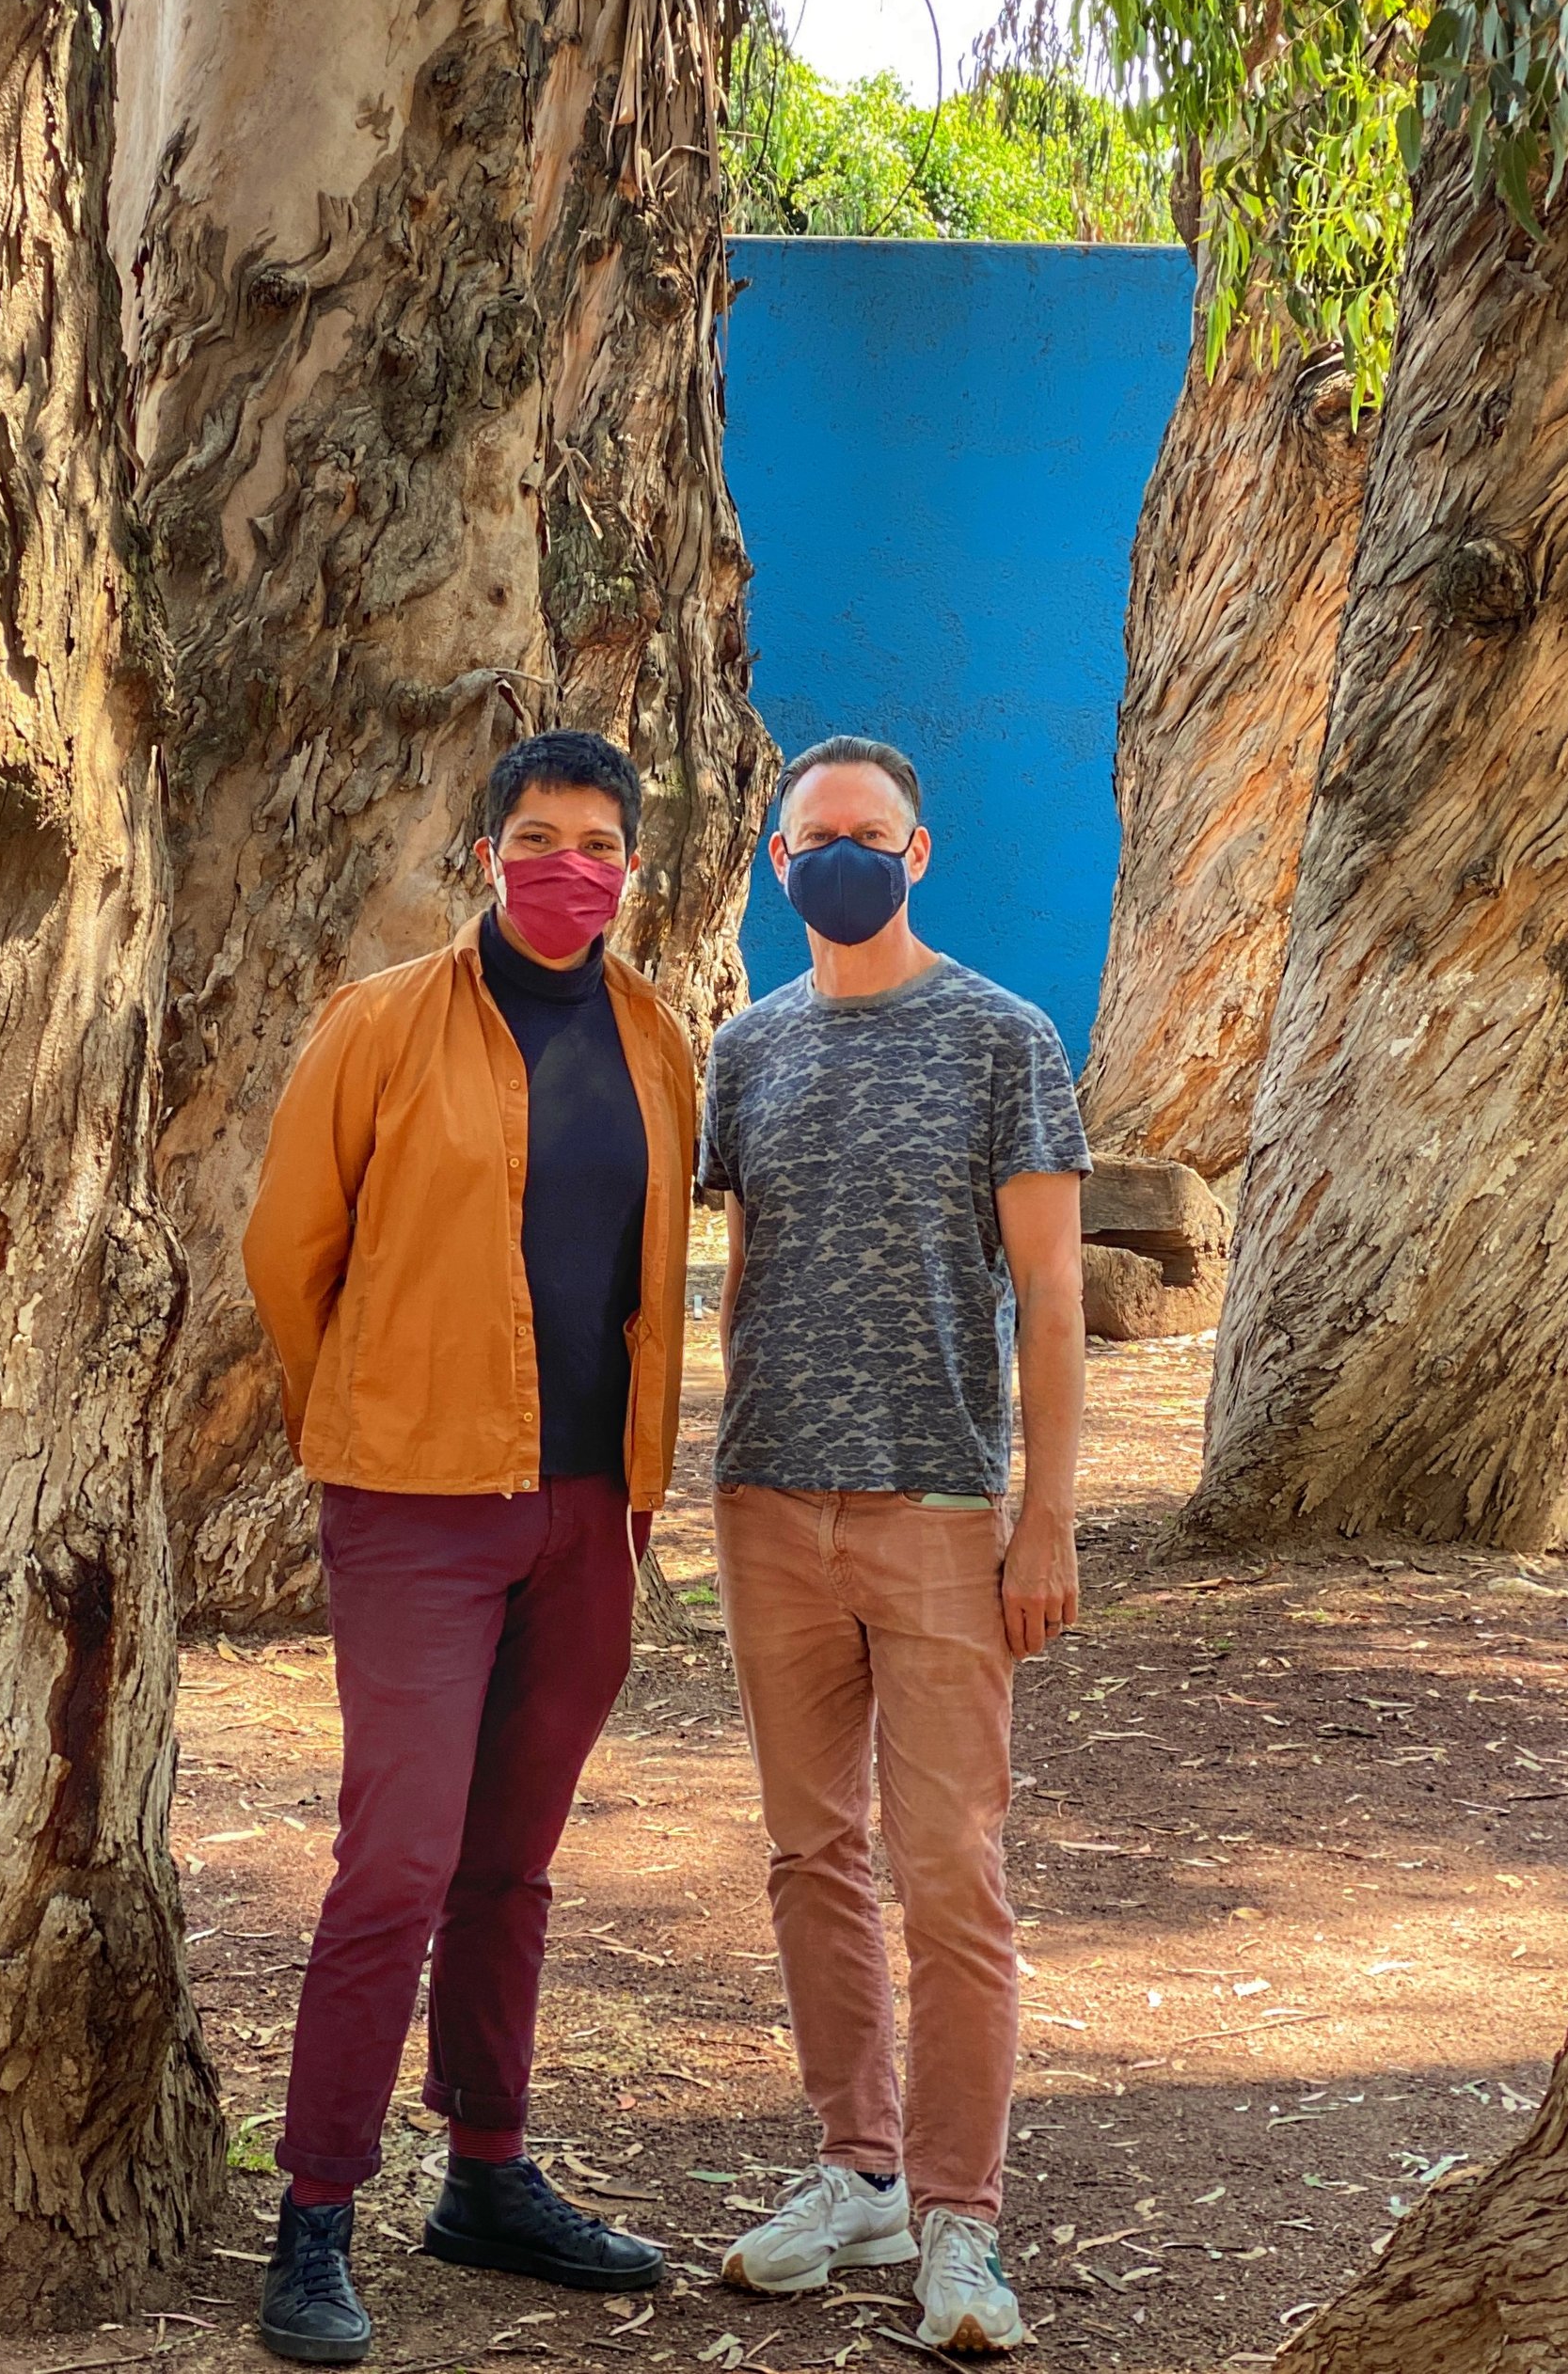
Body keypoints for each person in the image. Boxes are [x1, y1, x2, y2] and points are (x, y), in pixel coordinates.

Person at [240, 729, 696, 2366]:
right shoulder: (378, 1025)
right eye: (535, 833)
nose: (565, 862)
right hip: (416, 1509)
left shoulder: (660, 1041)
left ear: (632, 865)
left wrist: (623, 1492)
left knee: (512, 1861)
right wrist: (371, 1424)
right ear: (489, 851)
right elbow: (290, 1254)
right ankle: (316, 2211)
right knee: (399, 1861)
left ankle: (486, 2176)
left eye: (596, 839)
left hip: (590, 1511)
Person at [700, 736, 1091, 2355]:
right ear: (779, 865)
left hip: (938, 1508)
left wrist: (1045, 1515)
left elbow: (1055, 1299)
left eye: (870, 834)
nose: (842, 858)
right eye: (813, 839)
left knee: (953, 1875)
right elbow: (742, 1271)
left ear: (916, 853)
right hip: (769, 1505)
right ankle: (855, 2170)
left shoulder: (1003, 1037)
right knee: (812, 1856)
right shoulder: (745, 1050)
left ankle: (961, 2220)